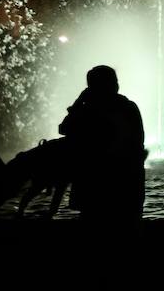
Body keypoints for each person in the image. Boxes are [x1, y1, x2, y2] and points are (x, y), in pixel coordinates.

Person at [58, 66, 146, 224]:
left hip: (94, 187)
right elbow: (137, 144)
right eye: (114, 81)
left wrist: (79, 101)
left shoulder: (87, 111)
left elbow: (64, 128)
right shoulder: (128, 107)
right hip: (126, 187)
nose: (117, 85)